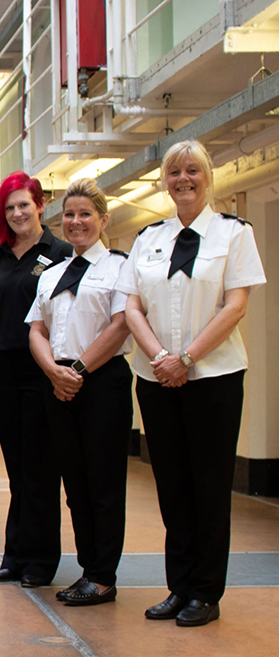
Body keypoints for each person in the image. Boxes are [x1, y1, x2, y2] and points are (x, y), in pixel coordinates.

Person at [116, 140, 266, 627]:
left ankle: (206, 591)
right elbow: (132, 306)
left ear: (208, 177)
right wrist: (161, 357)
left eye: (192, 171)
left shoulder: (233, 235)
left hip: (214, 378)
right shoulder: (148, 238)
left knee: (209, 484)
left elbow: (236, 305)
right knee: (172, 486)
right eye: (175, 171)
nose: (183, 179)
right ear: (165, 180)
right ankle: (179, 587)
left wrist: (186, 357)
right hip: (155, 377)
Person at [25, 178, 133, 606]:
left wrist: (79, 370)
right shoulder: (50, 274)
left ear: (103, 219)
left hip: (101, 381)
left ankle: (103, 575)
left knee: (104, 482)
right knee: (75, 482)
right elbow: (37, 328)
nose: (76, 221)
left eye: (85, 214)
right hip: (60, 382)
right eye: (69, 214)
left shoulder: (120, 267)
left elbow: (122, 324)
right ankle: (89, 568)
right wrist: (54, 370)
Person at [0, 171, 71, 588]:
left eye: (24, 204)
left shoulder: (61, 252)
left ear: (40, 205)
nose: (17, 212)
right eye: (9, 207)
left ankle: (40, 560)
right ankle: (14, 555)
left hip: (41, 369)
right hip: (3, 367)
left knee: (40, 467)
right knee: (16, 468)